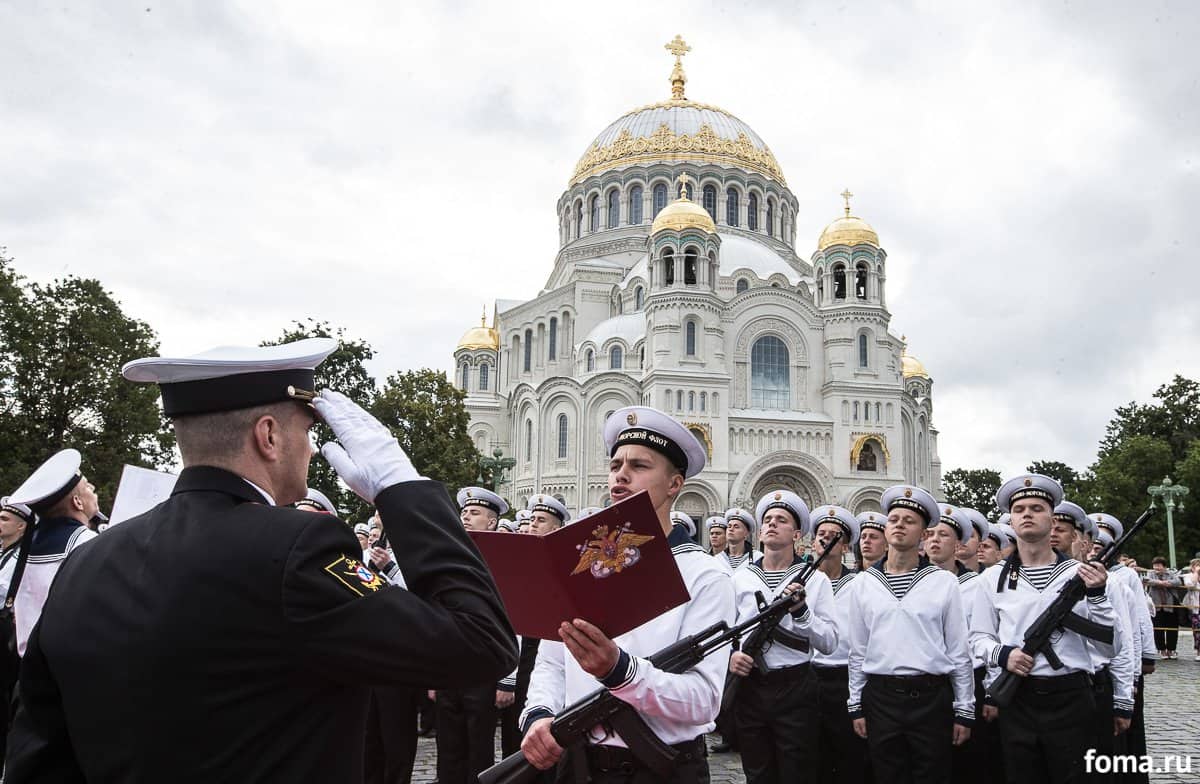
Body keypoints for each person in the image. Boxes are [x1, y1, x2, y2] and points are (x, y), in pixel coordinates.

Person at [5, 337, 518, 782]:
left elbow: (40, 754)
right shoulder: (299, 550)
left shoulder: (87, 563)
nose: (313, 451)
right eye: (307, 432)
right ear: (268, 435)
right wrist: (402, 489)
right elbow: (479, 641)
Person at [520, 405, 736, 782]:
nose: (621, 476)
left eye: (639, 466)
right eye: (616, 465)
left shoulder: (705, 575)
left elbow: (703, 700)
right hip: (579, 763)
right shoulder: (584, 561)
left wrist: (620, 671)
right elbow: (553, 661)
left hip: (659, 768)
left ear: (674, 484)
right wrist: (540, 712)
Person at [970, 475, 1117, 784]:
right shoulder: (991, 579)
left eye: (1037, 508)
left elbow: (1109, 647)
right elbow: (977, 638)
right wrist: (1003, 654)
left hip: (1072, 697)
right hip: (1019, 699)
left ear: (1052, 520)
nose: (1027, 514)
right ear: (1011, 519)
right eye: (1020, 508)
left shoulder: (1082, 574)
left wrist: (1098, 594)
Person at [846, 485, 974, 784]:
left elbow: (958, 651)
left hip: (931, 698)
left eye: (910, 520)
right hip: (881, 697)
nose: (900, 525)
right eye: (894, 519)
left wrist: (964, 709)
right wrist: (855, 704)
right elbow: (859, 650)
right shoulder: (864, 584)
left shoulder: (943, 583)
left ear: (924, 534)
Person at [728, 491, 836, 784]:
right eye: (768, 520)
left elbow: (829, 642)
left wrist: (802, 613)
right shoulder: (740, 578)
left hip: (795, 688)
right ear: (760, 531)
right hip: (751, 687)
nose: (772, 524)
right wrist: (733, 655)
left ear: (797, 533)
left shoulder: (816, 579)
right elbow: (728, 631)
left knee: (797, 772)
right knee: (757, 772)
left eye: (782, 520)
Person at [435, 486, 514, 784]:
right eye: (464, 512)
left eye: (475, 513)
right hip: (449, 666)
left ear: (492, 522)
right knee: (449, 749)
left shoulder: (503, 561)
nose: (466, 517)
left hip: (483, 667)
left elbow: (514, 622)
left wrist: (507, 679)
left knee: (479, 751)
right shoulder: (448, 556)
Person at [1052, 501, 1136, 778]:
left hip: (1094, 686)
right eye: (1051, 528)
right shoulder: (1033, 579)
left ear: (1084, 542)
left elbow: (1120, 643)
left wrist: (1123, 698)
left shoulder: (1106, 582)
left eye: (1062, 530)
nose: (1053, 535)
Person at [6, 448, 100, 657]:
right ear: (77, 502)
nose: (93, 487)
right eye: (86, 485)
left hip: (28, 666)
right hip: (70, 668)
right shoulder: (90, 544)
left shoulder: (26, 546)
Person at [810, 505, 870, 784]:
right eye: (821, 533)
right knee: (813, 754)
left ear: (845, 545)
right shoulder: (804, 583)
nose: (826, 539)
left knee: (848, 755)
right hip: (809, 676)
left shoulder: (859, 583)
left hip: (845, 675)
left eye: (834, 535)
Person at [1145, 556, 1183, 659]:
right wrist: (1161, 583)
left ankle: (1171, 649)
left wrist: (1168, 583)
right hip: (1156, 605)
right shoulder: (1151, 573)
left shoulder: (1171, 573)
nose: (1156, 567)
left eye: (1158, 565)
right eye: (1155, 565)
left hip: (1170, 605)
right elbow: (1148, 581)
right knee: (1158, 629)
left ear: (1164, 566)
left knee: (1172, 628)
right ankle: (1161, 650)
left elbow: (1178, 582)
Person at [720, 507, 756, 572]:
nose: (731, 529)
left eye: (736, 527)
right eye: (729, 526)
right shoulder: (719, 559)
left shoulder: (757, 558)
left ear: (746, 533)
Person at [1184, 558, 1200, 661]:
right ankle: (1199, 651)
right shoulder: (1188, 576)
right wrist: (1196, 573)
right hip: (1196, 607)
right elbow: (1190, 585)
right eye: (1196, 565)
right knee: (1198, 630)